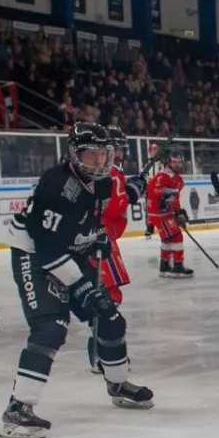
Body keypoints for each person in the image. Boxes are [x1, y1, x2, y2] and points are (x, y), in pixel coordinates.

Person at [0, 122, 154, 438]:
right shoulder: (57, 187)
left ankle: (118, 383)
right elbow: (47, 249)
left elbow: (94, 218)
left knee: (109, 317)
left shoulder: (103, 183)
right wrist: (82, 286)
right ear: (74, 154)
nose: (98, 162)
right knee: (50, 326)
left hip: (67, 251)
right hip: (34, 255)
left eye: (103, 154)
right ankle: (18, 408)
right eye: (90, 155)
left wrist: (95, 236)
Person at [87, 126, 146, 374]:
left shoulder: (111, 171)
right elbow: (111, 207)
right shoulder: (108, 172)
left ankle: (102, 353)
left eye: (122, 147)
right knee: (106, 298)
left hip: (100, 237)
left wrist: (130, 188)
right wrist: (133, 192)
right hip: (99, 238)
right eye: (117, 147)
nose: (120, 152)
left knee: (106, 297)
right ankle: (103, 354)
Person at [146, 145, 193, 278]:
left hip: (166, 214)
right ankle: (178, 266)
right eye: (174, 162)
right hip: (159, 214)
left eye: (179, 162)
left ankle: (165, 266)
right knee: (177, 237)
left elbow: (175, 199)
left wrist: (179, 213)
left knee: (167, 239)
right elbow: (153, 192)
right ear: (168, 161)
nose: (177, 165)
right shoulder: (162, 176)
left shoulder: (178, 180)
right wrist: (165, 195)